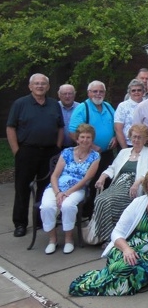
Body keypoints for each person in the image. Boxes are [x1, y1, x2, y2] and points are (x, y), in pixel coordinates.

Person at [69, 168, 148, 296]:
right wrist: (127, 249)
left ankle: (93, 283)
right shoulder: (137, 203)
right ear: (146, 186)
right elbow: (116, 232)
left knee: (134, 271)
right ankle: (92, 283)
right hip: (126, 249)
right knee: (121, 267)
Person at [6, 73, 64, 237]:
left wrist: (58, 147)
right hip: (26, 152)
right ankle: (20, 223)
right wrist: (17, 151)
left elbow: (60, 127)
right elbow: (10, 128)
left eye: (43, 84)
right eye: (36, 84)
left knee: (45, 189)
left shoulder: (53, 104)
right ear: (30, 86)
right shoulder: (20, 104)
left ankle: (40, 220)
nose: (40, 86)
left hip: (49, 152)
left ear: (48, 87)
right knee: (22, 188)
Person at [92, 124, 148, 245]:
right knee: (100, 199)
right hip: (118, 184)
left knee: (106, 201)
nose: (136, 140)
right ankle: (108, 235)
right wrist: (102, 177)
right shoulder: (124, 152)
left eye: (139, 137)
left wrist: (137, 182)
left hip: (133, 186)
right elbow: (112, 168)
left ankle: (113, 237)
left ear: (145, 139)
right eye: (134, 137)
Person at [40, 124, 100, 254]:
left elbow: (86, 180)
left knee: (67, 206)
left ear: (92, 139)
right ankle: (52, 240)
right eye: (82, 137)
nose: (85, 140)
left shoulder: (95, 156)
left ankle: (68, 239)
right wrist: (58, 193)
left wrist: (67, 193)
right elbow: (55, 175)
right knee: (46, 207)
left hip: (77, 189)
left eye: (88, 137)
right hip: (56, 188)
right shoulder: (67, 152)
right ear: (77, 139)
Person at [68, 80, 116, 216]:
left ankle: (103, 212)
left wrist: (115, 137)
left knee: (106, 181)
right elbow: (72, 131)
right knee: (91, 183)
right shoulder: (83, 108)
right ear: (89, 93)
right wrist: (92, 146)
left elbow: (116, 125)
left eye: (101, 91)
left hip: (107, 153)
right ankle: (88, 213)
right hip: (89, 154)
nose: (98, 94)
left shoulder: (108, 107)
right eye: (95, 91)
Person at [114, 79, 145, 149]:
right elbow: (118, 129)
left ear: (143, 92)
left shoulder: (147, 105)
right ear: (129, 92)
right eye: (133, 90)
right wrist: (125, 149)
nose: (136, 92)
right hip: (128, 144)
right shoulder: (122, 106)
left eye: (139, 90)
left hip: (145, 144)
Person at [58, 84, 79, 148]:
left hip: (76, 146)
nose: (67, 96)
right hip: (57, 146)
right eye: (64, 94)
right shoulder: (54, 107)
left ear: (74, 94)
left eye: (70, 94)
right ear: (59, 95)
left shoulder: (80, 108)